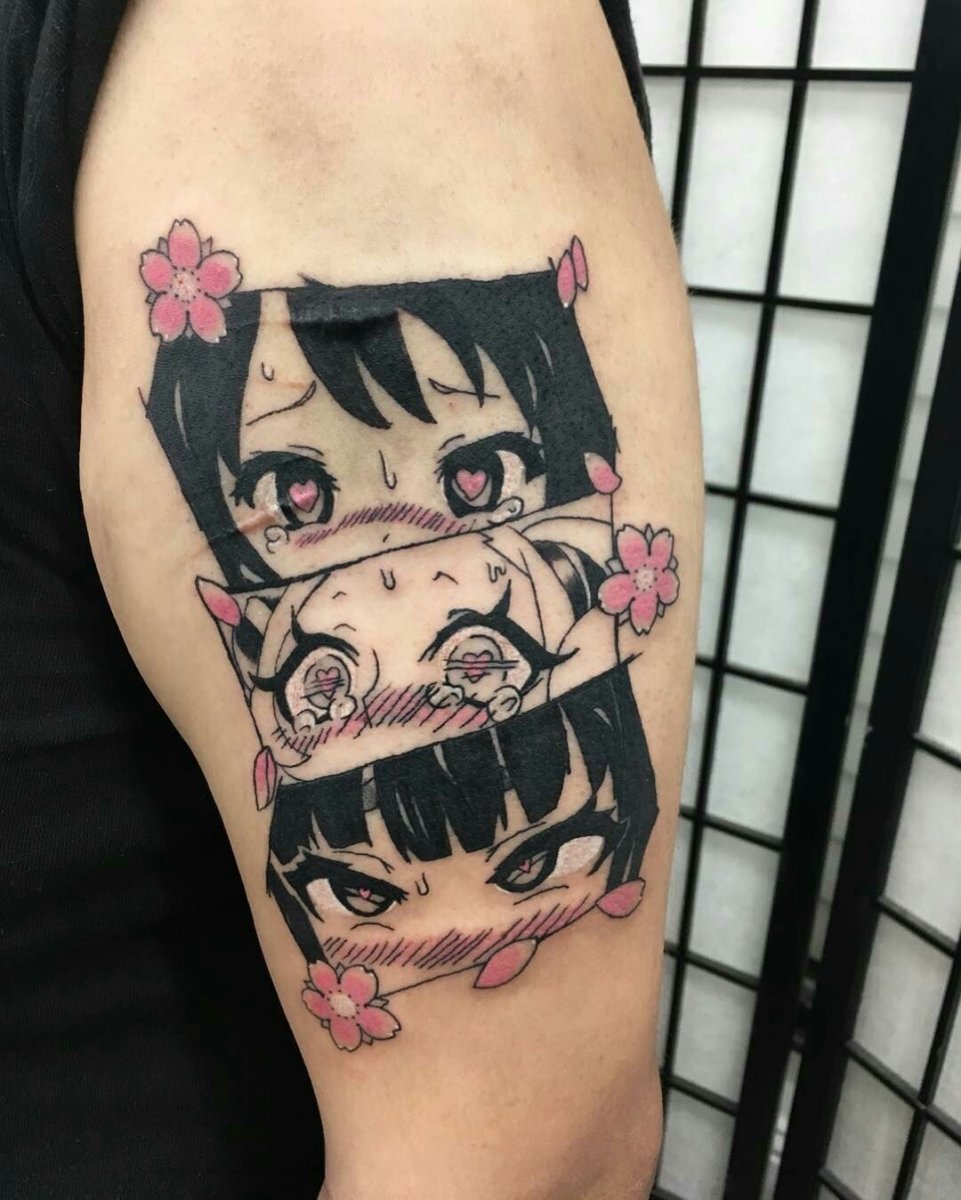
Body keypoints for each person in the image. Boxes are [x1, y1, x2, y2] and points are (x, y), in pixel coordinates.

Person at [0, 3, 701, 1198]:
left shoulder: (331, 32)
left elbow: (527, 1169)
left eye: (474, 481)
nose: (387, 554)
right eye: (296, 495)